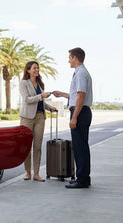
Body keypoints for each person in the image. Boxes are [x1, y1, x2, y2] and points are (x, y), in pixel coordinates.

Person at [53, 47, 93, 189]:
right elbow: (77, 95)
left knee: (80, 147)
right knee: (80, 147)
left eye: (69, 57)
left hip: (80, 113)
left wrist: (74, 117)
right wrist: (63, 94)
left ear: (75, 58)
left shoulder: (81, 73)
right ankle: (83, 178)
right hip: (81, 111)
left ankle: (81, 180)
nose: (68, 60)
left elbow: (81, 96)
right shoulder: (80, 73)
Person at [19, 61, 56, 182]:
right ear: (28, 70)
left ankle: (36, 173)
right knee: (27, 146)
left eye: (38, 68)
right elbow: (27, 100)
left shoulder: (39, 84)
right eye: (34, 68)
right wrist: (41, 96)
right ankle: (28, 172)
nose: (37, 70)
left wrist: (49, 107)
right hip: (27, 118)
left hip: (40, 117)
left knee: (38, 146)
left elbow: (40, 102)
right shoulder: (24, 83)